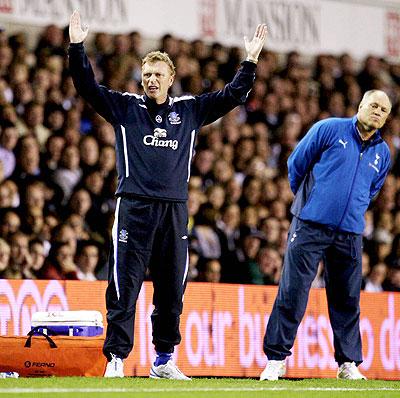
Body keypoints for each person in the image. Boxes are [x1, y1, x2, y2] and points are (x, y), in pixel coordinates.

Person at [68, 10, 267, 379]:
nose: (152, 80)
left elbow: (233, 95)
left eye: (159, 74)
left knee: (172, 287)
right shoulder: (125, 106)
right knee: (124, 284)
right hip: (133, 207)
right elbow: (87, 88)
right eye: (147, 75)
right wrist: (77, 47)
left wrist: (250, 60)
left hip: (175, 211)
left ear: (171, 78)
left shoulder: (189, 110)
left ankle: (163, 360)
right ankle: (116, 359)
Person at [260, 89, 392, 381]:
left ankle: (348, 363)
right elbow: (296, 165)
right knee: (293, 291)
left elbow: (371, 192)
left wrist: (350, 212)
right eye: (373, 105)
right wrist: (311, 203)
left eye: (384, 110)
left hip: (350, 233)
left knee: (347, 298)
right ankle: (276, 359)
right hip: (310, 225)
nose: (378, 112)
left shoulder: (383, 153)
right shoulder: (329, 129)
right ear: (360, 105)